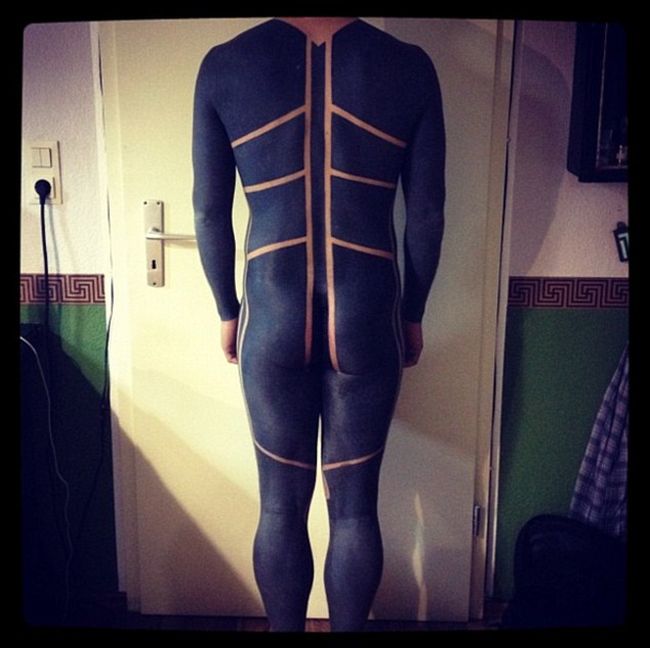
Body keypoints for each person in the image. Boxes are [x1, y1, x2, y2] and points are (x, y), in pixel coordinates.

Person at [193, 17, 445, 632]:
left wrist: (228, 309)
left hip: (272, 310)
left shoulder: (225, 65)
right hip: (368, 309)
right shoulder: (409, 66)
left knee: (280, 510)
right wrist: (413, 313)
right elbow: (427, 215)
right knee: (354, 511)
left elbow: (208, 211)